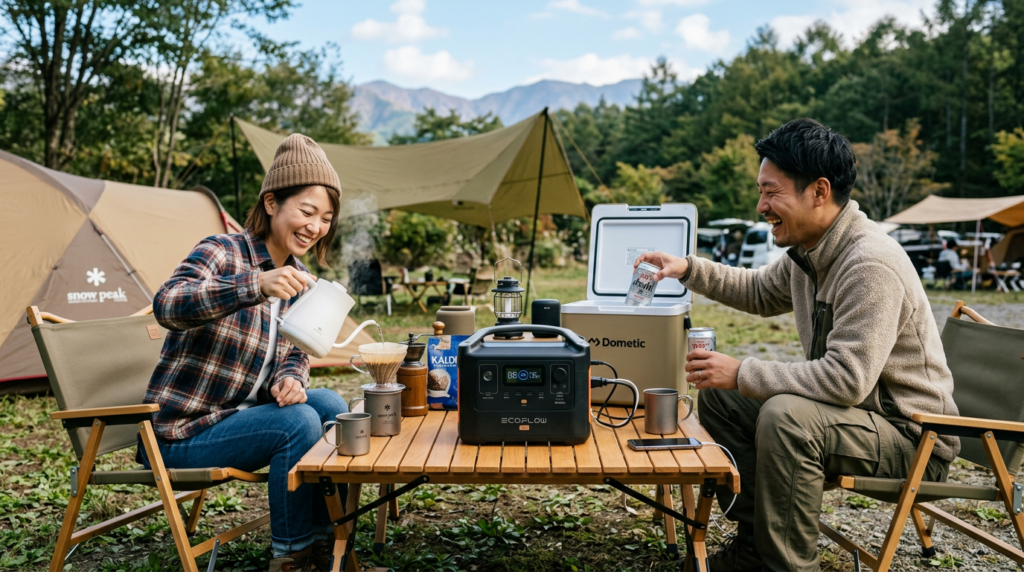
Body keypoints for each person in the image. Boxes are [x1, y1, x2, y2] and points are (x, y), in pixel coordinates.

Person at [635, 118, 959, 572]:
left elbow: (847, 379)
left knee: (787, 417)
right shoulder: (813, 250)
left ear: (819, 191)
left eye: (771, 192)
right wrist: (687, 267)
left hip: (910, 435)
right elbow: (759, 292)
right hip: (859, 418)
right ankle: (754, 541)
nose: (761, 205)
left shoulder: (869, 264)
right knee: (724, 398)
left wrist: (743, 370)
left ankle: (784, 565)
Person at [140, 134, 349, 572]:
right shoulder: (222, 250)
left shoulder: (300, 274)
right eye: (307, 212)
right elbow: (168, 304)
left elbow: (295, 348)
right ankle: (291, 556)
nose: (315, 227)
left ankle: (325, 540)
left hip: (240, 414)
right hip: (182, 432)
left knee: (333, 406)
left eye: (326, 218)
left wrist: (292, 377)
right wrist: (254, 285)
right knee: (298, 423)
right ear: (272, 203)